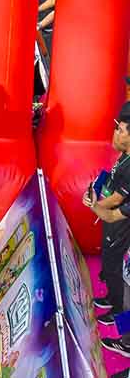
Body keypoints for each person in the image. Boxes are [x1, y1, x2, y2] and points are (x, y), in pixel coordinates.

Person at [83, 104, 130, 327]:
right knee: (110, 265)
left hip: (120, 224)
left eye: (121, 130)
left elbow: (117, 200)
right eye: (117, 128)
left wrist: (96, 204)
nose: (116, 133)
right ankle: (113, 301)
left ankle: (120, 320)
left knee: (116, 269)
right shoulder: (123, 155)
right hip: (113, 219)